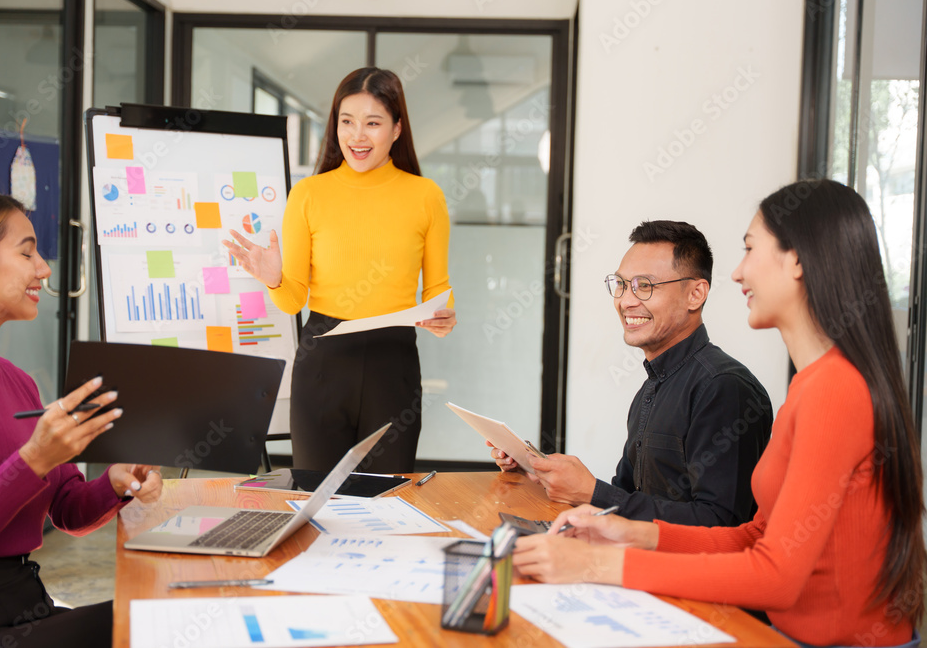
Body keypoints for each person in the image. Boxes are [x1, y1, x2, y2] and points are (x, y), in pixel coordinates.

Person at [514, 180, 925, 647]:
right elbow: (755, 536)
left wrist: (600, 564)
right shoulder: (813, 384)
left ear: (797, 260)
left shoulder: (832, 388)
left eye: (750, 249)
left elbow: (774, 576)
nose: (737, 272)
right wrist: (627, 532)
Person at [0, 187, 163, 647]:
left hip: (19, 604)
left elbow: (67, 510)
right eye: (27, 253)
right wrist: (32, 459)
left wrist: (114, 482)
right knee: (157, 624)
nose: (44, 270)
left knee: (164, 611)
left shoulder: (16, 380)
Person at [226, 67, 456, 474]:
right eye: (346, 122)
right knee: (317, 499)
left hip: (393, 362)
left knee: (385, 498)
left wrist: (443, 316)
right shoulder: (309, 195)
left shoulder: (425, 196)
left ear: (398, 128)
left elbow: (438, 289)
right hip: (323, 361)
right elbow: (294, 298)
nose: (357, 136)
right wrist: (273, 277)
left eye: (373, 123)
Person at [491, 220, 772, 527]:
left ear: (695, 294)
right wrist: (541, 474)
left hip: (678, 573)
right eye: (622, 285)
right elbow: (626, 499)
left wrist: (592, 492)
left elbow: (721, 524)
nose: (625, 301)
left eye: (645, 286)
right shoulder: (652, 387)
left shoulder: (723, 388)